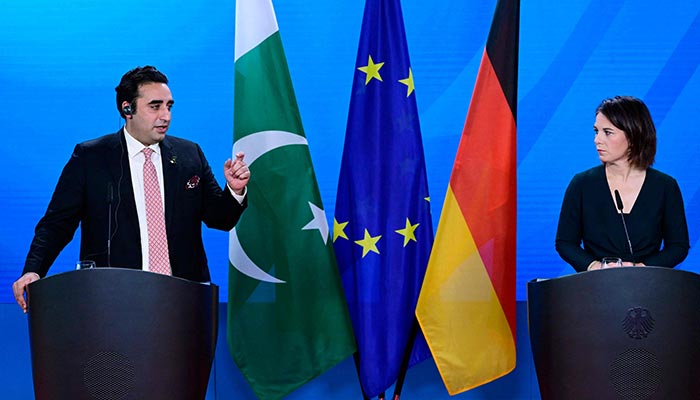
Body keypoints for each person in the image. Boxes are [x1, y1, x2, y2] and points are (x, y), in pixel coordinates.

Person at [12, 65, 250, 312]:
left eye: (169, 106)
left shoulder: (190, 155)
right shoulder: (91, 157)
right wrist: (33, 270)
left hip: (184, 301)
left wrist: (234, 191)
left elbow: (220, 219)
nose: (165, 116)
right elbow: (57, 224)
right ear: (127, 109)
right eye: (155, 106)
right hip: (114, 300)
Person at [555, 95, 689, 272]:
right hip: (595, 286)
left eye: (607, 132)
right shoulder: (582, 184)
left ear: (633, 135)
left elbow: (678, 246)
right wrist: (594, 266)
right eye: (596, 131)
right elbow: (565, 242)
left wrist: (641, 269)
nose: (597, 140)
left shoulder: (665, 186)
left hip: (648, 288)